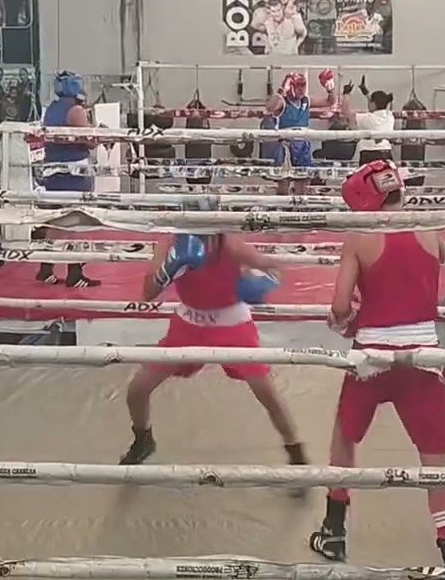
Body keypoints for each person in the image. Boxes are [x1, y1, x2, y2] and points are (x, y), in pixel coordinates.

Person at [310, 160, 445, 568]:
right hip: (425, 357)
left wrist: (345, 321)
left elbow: (340, 306)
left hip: (373, 358)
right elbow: (442, 268)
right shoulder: (430, 227)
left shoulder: (360, 236)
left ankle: (333, 531)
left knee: (344, 438)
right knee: (435, 457)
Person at [118, 201, 307, 473]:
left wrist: (262, 283)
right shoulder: (169, 244)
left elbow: (272, 267)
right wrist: (168, 269)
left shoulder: (229, 243)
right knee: (137, 390)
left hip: (233, 324)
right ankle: (143, 440)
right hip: (188, 325)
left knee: (268, 394)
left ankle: (296, 453)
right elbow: (147, 295)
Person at [36, 72, 101, 287]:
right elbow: (91, 140)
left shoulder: (51, 109)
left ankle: (45, 269)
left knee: (57, 221)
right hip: (74, 171)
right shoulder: (75, 110)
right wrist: (98, 131)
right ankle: (75, 273)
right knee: (76, 222)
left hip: (53, 170)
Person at [265, 70, 338, 195]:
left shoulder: (306, 101)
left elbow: (329, 102)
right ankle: (281, 205)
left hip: (303, 144)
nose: (301, 89)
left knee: (303, 179)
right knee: (283, 180)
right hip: (286, 145)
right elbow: (270, 107)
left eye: (303, 86)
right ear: (291, 86)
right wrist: (282, 89)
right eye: (298, 86)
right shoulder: (283, 102)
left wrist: (330, 89)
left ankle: (300, 206)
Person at [342, 87, 395, 164]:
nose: (368, 104)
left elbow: (346, 111)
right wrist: (366, 93)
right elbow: (380, 103)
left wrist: (346, 94)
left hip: (370, 155)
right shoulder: (389, 116)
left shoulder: (368, 118)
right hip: (387, 153)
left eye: (370, 102)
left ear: (373, 104)